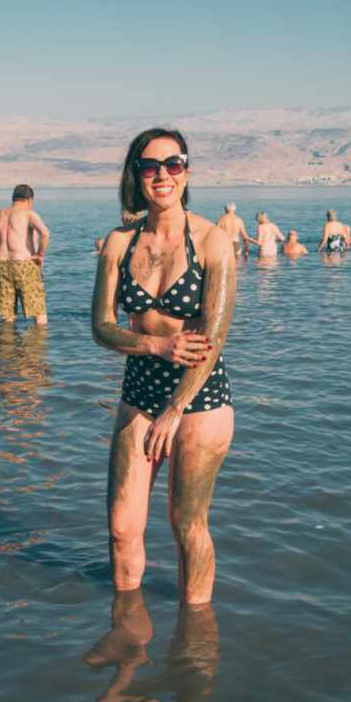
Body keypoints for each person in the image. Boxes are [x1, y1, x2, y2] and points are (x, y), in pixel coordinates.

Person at [92, 128, 236, 604]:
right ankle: (126, 636)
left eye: (173, 164)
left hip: (199, 398)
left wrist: (175, 410)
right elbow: (101, 327)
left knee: (186, 525)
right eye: (150, 166)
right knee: (121, 527)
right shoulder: (118, 243)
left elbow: (213, 338)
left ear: (187, 170)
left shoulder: (213, 241)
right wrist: (156, 347)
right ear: (136, 175)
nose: (162, 175)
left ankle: (194, 642)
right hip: (139, 390)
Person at [0, 184, 49, 325]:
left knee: (8, 316)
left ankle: (7, 346)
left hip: (1, 265)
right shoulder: (28, 214)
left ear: (13, 198)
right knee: (39, 314)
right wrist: (39, 254)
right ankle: (35, 346)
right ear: (30, 200)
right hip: (24, 264)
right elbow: (45, 233)